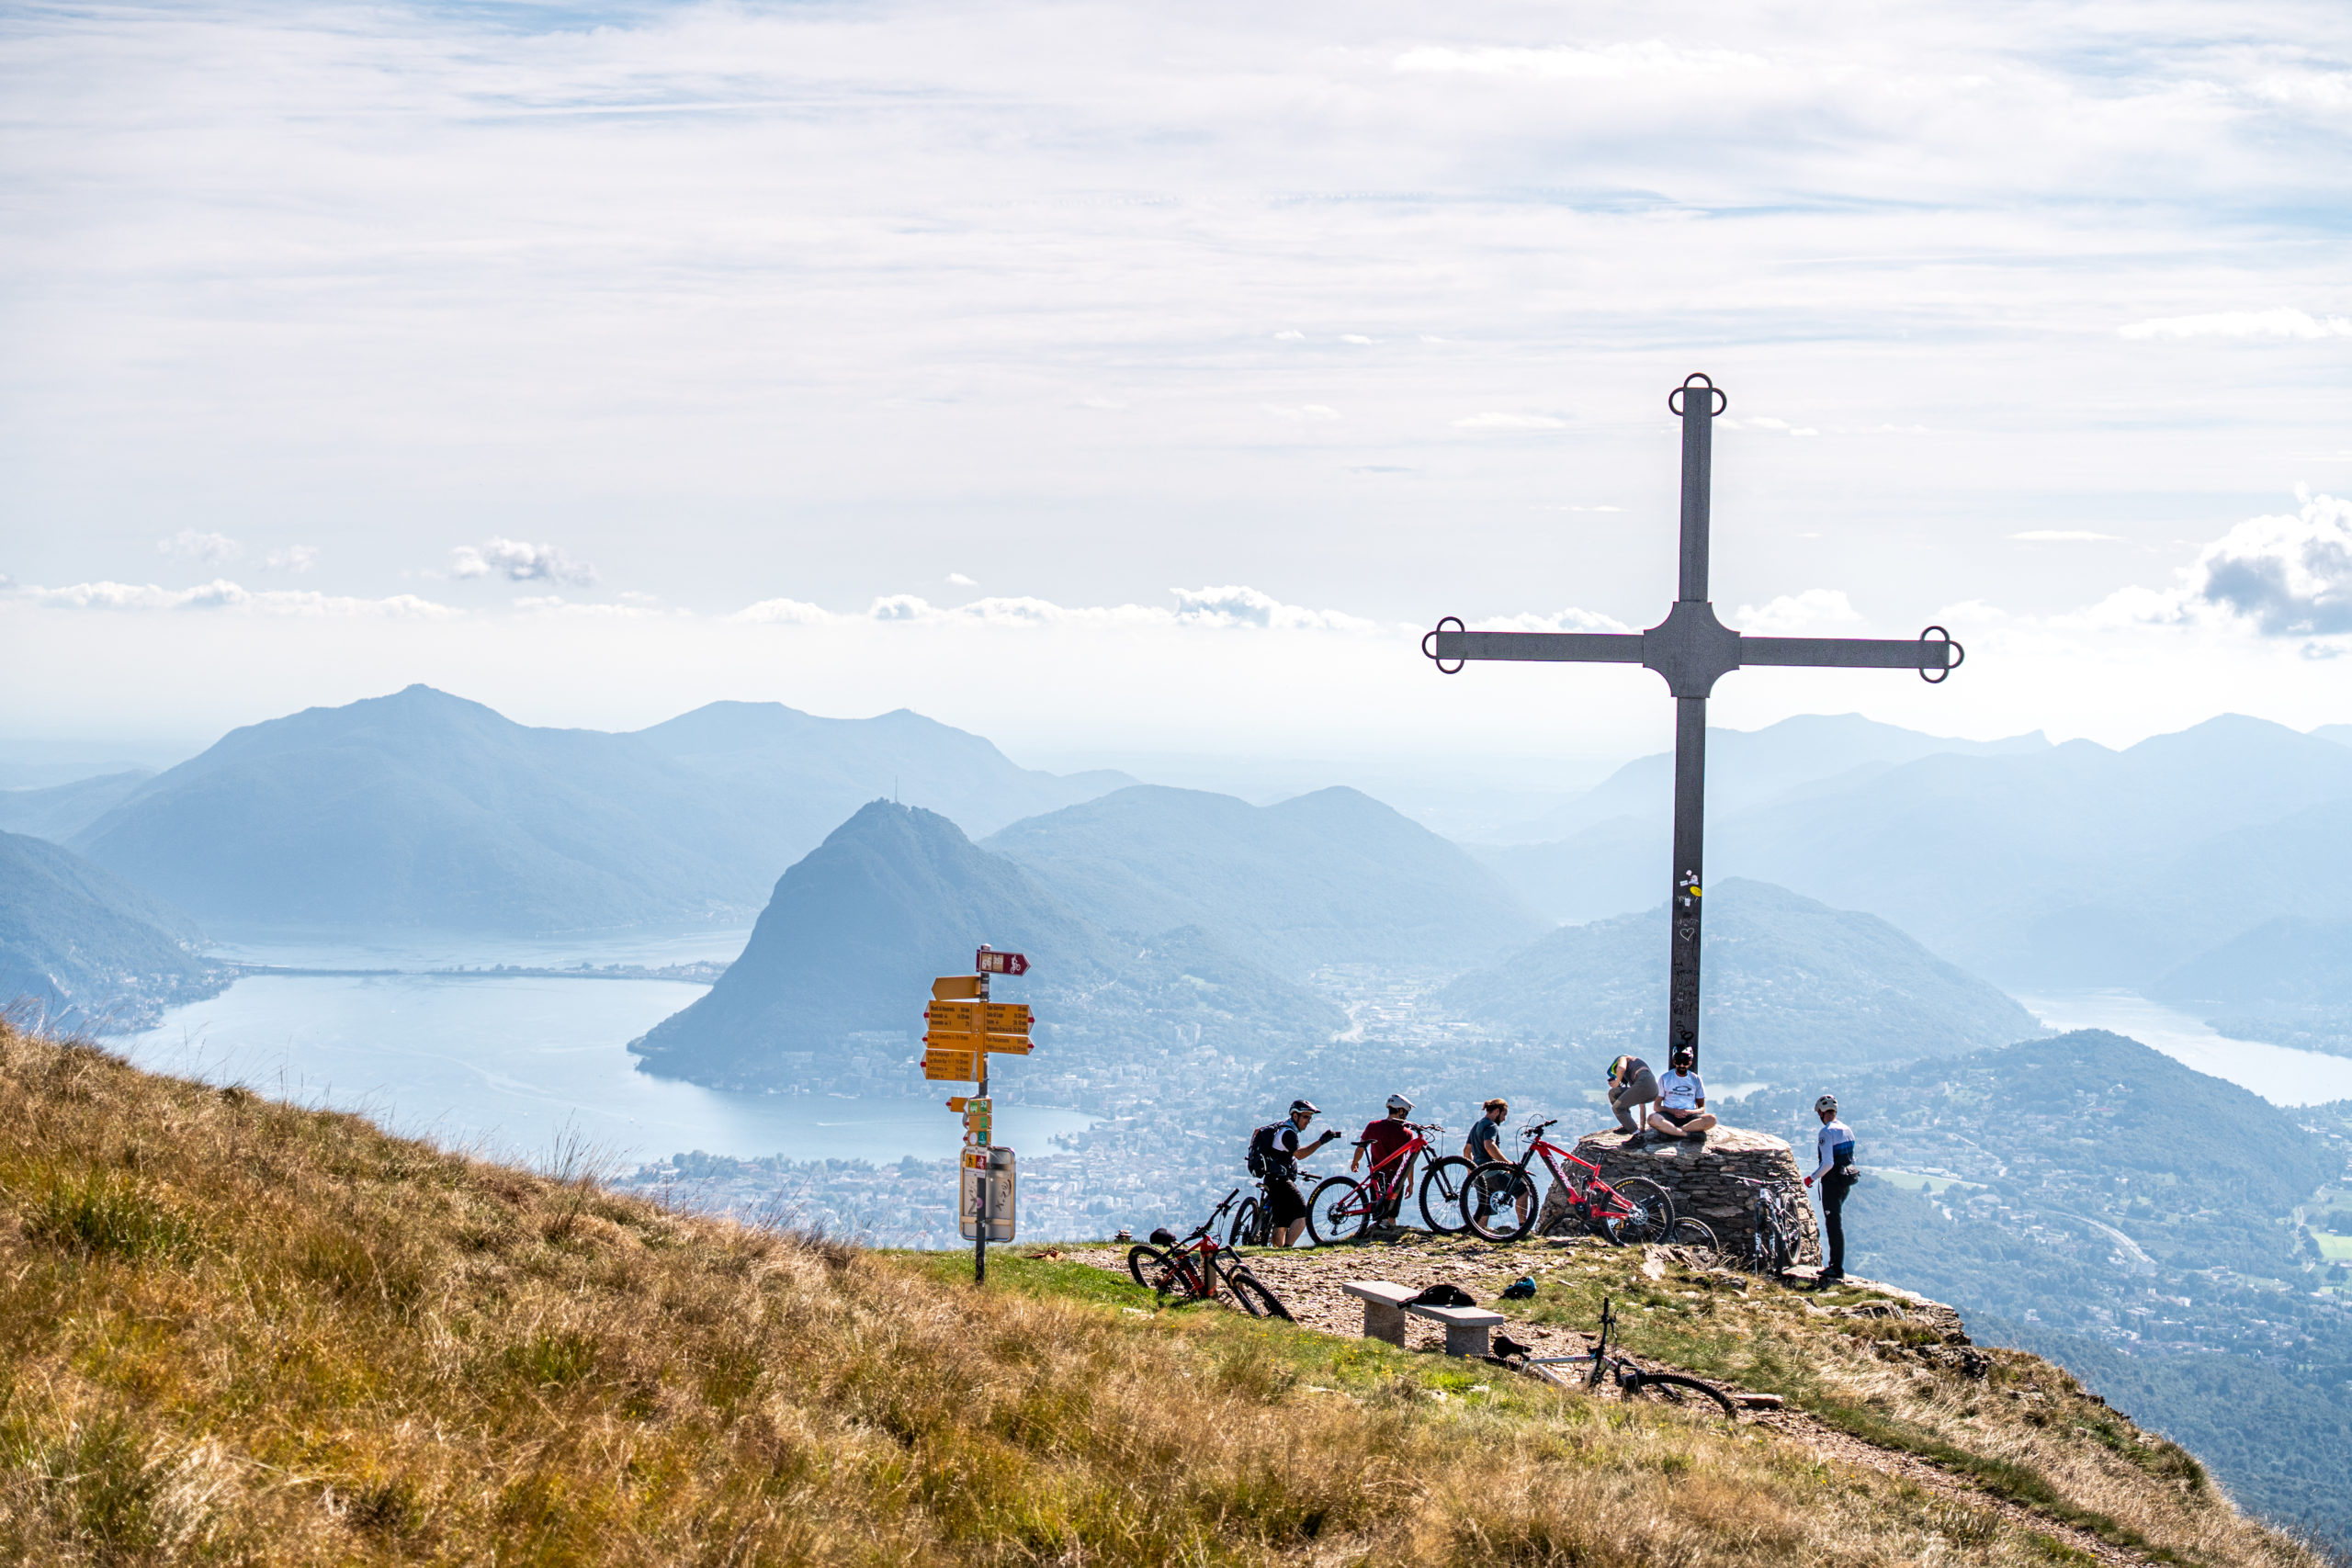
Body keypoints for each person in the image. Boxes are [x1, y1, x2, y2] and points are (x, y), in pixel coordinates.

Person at [1253, 1099, 1341, 1247]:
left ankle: (1278, 1251)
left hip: (1273, 1179)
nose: (1308, 1121)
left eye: (1310, 1118)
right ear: (1295, 1116)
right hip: (1281, 1181)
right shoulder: (1288, 1134)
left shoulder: (1282, 1128)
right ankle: (1287, 1248)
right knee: (1302, 1213)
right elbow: (1299, 1154)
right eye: (1305, 1117)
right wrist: (1321, 1141)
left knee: (1282, 1221)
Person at [1804, 1094, 1858, 1282]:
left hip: (1832, 1182)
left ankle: (1836, 1267)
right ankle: (1836, 1265)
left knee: (1833, 1224)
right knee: (1836, 1221)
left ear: (1820, 1112)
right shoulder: (1847, 1129)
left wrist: (1811, 1178)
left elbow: (1827, 1162)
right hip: (1846, 1182)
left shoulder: (1826, 1132)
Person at [1351, 1093, 1419, 1224]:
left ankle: (1376, 1235)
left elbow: (1360, 1148)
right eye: (1405, 1113)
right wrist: (1411, 1183)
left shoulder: (1373, 1126)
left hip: (1376, 1177)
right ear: (1400, 1111)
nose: (1406, 1116)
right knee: (1392, 1216)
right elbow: (1409, 1162)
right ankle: (1389, 1239)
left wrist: (1355, 1162)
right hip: (1396, 1179)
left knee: (1378, 1213)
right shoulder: (1407, 1133)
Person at [1648, 1046, 1717, 1140]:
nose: (1681, 1065)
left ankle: (1672, 1132)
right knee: (1652, 1119)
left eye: (1685, 1062)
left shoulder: (1695, 1079)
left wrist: (1688, 1112)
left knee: (1711, 1119)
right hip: (1669, 1116)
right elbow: (1656, 1106)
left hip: (1689, 1116)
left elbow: (1702, 1108)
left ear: (1690, 1062)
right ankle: (1686, 1135)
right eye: (1678, 1062)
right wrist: (1673, 1111)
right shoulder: (1665, 1078)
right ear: (1674, 1062)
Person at [1606, 1055, 1658, 1136]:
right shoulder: (1634, 1072)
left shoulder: (1623, 1058)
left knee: (1618, 1108)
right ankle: (1628, 1125)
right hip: (1652, 1090)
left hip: (1645, 1083)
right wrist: (1642, 1128)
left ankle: (1636, 1137)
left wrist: (1617, 1082)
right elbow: (1642, 1106)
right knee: (1613, 1093)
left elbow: (1621, 1068)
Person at [1464, 1098, 1510, 1168]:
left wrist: (1471, 1171)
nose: (1504, 1119)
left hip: (1477, 1169)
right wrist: (1507, 1163)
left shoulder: (1477, 1125)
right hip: (1489, 1169)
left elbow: (1466, 1150)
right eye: (1504, 1115)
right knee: (1517, 1178)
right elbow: (1489, 1145)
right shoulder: (1491, 1125)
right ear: (1497, 1111)